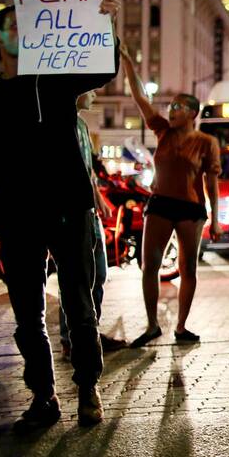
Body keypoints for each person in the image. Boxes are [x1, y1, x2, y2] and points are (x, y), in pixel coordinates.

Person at [0, 0, 121, 431]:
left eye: (25, 25)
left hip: (67, 209)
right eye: (10, 25)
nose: (20, 31)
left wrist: (107, 22)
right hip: (16, 217)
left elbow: (103, 69)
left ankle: (88, 387)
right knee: (26, 312)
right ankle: (43, 396)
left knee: (79, 302)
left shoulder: (54, 83)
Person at [121, 47, 222, 347]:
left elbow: (212, 183)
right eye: (171, 106)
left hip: (191, 209)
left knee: (188, 268)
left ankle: (181, 326)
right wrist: (128, 61)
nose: (172, 110)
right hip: (160, 205)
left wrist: (215, 220)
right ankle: (152, 325)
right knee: (148, 265)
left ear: (193, 113)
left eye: (179, 106)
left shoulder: (206, 142)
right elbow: (141, 99)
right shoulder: (162, 131)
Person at [58, 90, 129, 360]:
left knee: (98, 273)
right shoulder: (60, 123)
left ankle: (89, 331)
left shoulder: (82, 125)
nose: (96, 92)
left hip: (90, 212)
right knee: (77, 278)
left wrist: (99, 198)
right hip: (71, 213)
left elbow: (87, 169)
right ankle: (72, 339)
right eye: (89, 89)